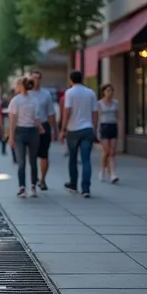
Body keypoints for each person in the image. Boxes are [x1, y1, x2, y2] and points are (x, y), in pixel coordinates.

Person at [60, 70, 98, 198]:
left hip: (73, 130)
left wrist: (63, 129)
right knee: (86, 159)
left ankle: (73, 184)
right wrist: (95, 128)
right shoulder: (91, 93)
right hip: (87, 129)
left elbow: (67, 111)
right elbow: (95, 113)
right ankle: (86, 188)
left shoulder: (69, 93)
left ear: (71, 80)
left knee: (73, 158)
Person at [8, 77, 44, 198]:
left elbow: (13, 120)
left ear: (20, 86)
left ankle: (30, 186)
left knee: (27, 161)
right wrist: (12, 136)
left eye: (16, 85)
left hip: (26, 131)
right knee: (26, 161)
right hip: (26, 132)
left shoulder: (20, 100)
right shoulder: (23, 100)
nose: (15, 87)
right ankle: (25, 187)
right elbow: (36, 118)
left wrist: (11, 136)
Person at [31, 70, 57, 190]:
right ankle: (33, 178)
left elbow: (51, 113)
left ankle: (42, 180)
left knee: (44, 154)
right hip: (30, 127)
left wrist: (54, 129)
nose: (36, 80)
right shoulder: (27, 94)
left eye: (38, 78)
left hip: (44, 125)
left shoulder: (46, 94)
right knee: (31, 155)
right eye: (34, 78)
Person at [98, 84, 120, 183]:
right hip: (104, 126)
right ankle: (103, 170)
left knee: (113, 152)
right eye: (107, 91)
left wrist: (119, 126)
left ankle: (112, 174)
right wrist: (97, 130)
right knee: (107, 151)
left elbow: (118, 116)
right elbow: (97, 117)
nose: (109, 93)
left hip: (113, 126)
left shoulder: (116, 103)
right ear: (104, 92)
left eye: (111, 91)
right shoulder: (100, 103)